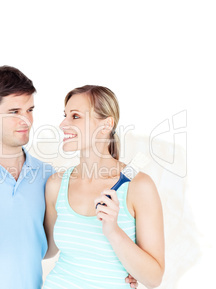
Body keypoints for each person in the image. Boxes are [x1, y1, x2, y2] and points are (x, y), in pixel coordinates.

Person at [0, 66, 139, 289]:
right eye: (14, 112)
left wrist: (119, 268)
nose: (26, 120)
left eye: (29, 110)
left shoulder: (48, 177)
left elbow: (54, 246)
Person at [44, 85, 165, 288]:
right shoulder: (56, 184)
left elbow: (154, 279)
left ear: (106, 124)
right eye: (65, 115)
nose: (62, 124)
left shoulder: (138, 187)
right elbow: (48, 250)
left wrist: (113, 231)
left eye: (75, 116)